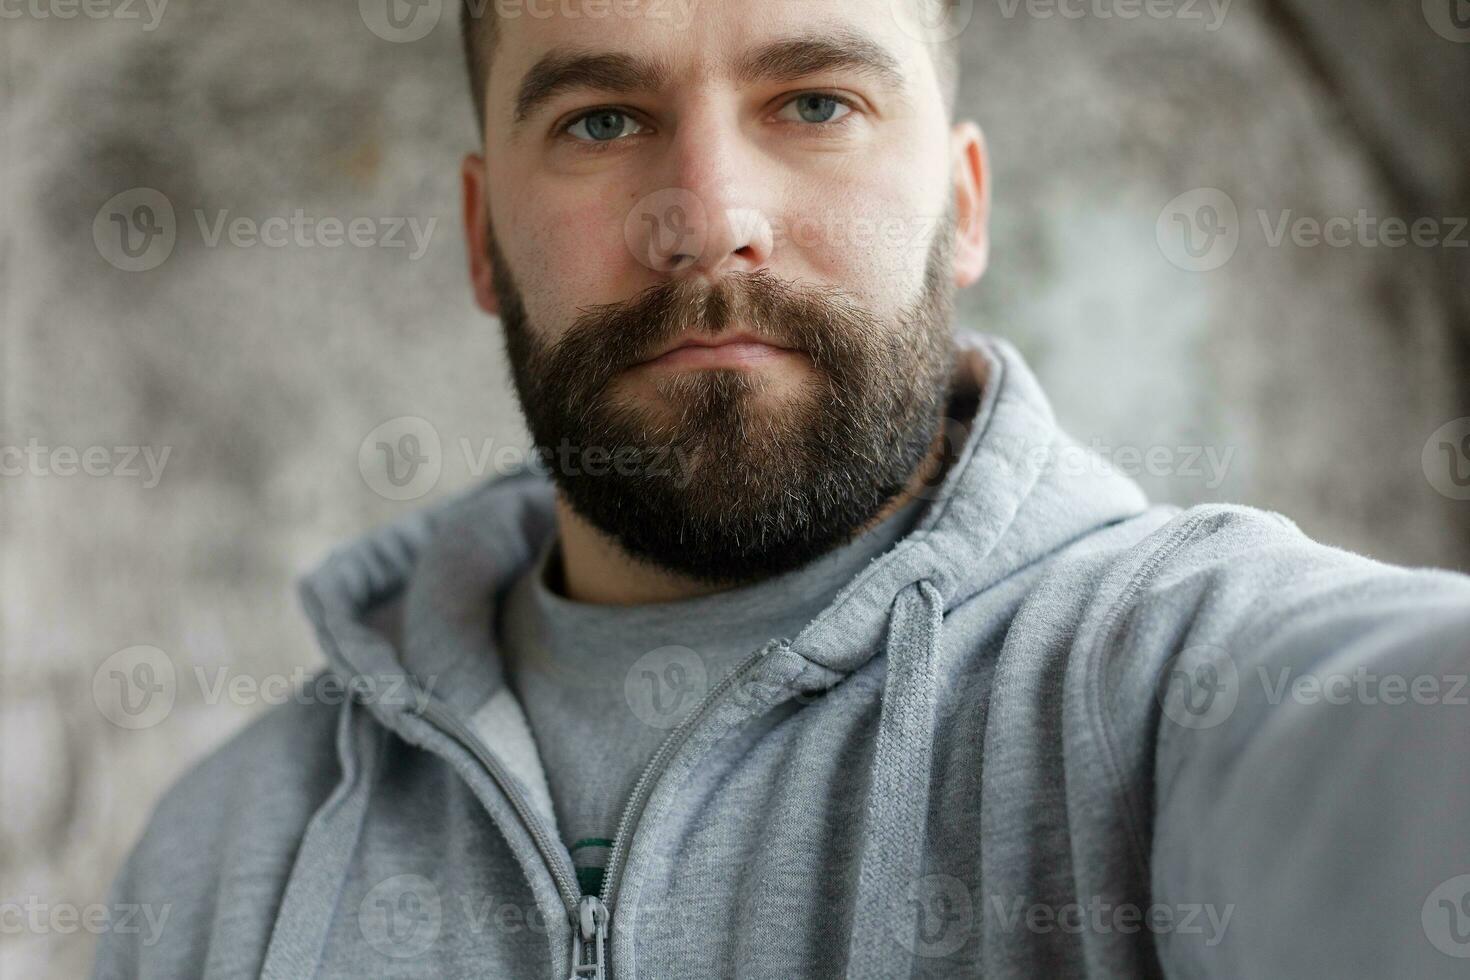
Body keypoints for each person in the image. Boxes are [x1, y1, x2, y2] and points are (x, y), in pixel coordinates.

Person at [95, 1, 1470, 977]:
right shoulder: (230, 852)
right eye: (599, 118)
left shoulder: (1183, 674)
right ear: (481, 239)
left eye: (814, 103)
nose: (706, 215)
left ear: (963, 204)